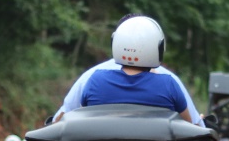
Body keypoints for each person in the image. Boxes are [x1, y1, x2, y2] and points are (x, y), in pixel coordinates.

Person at [54, 15, 200, 123]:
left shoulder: (94, 80)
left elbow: (65, 120)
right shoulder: (169, 84)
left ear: (116, 43)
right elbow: (190, 130)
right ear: (159, 48)